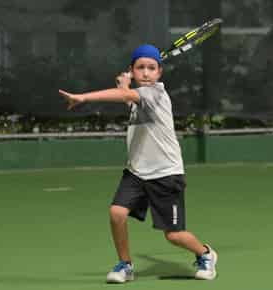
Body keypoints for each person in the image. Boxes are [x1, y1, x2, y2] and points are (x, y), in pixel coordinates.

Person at [58, 44, 217, 283]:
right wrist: (124, 85)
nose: (146, 73)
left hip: (165, 174)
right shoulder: (138, 95)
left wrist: (84, 97)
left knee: (173, 236)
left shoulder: (156, 94)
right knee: (116, 213)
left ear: (159, 73)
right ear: (132, 69)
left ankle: (205, 254)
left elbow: (127, 96)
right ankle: (126, 264)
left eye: (151, 68)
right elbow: (129, 98)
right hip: (136, 172)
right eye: (140, 67)